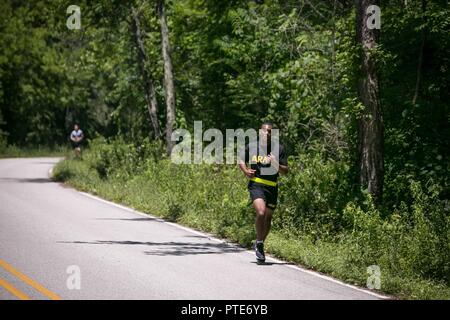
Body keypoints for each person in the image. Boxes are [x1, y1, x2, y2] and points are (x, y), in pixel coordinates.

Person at [238, 121, 288, 264]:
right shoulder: (252, 146)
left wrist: (275, 164)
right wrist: (246, 171)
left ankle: (259, 243)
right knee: (261, 213)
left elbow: (286, 171)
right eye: (264, 131)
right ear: (260, 132)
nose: (267, 133)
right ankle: (259, 244)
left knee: (268, 218)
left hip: (272, 186)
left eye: (269, 131)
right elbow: (241, 159)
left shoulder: (279, 149)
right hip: (257, 184)